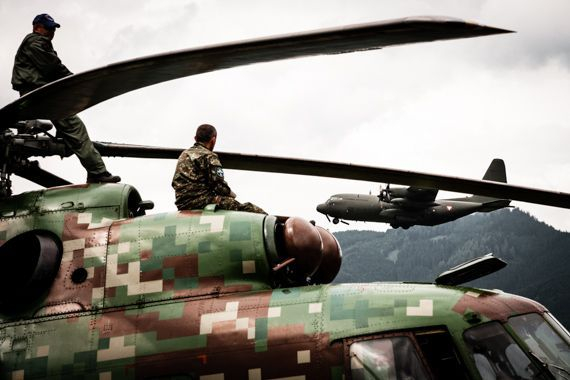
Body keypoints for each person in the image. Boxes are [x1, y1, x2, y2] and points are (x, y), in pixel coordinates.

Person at [11, 13, 120, 184]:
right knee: (75, 127)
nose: (51, 32)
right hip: (40, 94)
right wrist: (77, 81)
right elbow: (53, 68)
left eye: (53, 29)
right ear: (37, 27)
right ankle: (97, 172)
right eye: (48, 28)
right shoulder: (36, 42)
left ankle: (65, 139)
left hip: (37, 93)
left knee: (69, 128)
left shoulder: (35, 43)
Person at [172, 124, 266, 214]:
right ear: (213, 140)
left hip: (182, 203)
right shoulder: (209, 156)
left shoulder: (183, 155)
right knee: (248, 208)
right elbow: (219, 186)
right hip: (200, 201)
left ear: (195, 139)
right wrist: (232, 194)